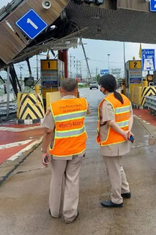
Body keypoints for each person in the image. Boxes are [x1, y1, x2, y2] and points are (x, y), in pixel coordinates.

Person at [41, 78, 91, 223]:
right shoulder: (83, 103)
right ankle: (70, 215)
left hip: (59, 152)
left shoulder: (54, 107)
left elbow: (48, 132)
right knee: (72, 180)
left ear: (60, 90)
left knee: (56, 180)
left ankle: (55, 211)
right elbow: (87, 111)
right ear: (76, 90)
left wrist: (44, 151)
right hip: (77, 149)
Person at [97, 74, 134, 208]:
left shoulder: (107, 102)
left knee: (113, 172)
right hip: (122, 140)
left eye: (101, 85)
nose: (100, 88)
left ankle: (116, 199)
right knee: (118, 167)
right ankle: (125, 190)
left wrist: (124, 132)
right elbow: (130, 116)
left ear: (104, 87)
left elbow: (111, 122)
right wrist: (127, 131)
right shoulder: (124, 98)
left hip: (111, 142)